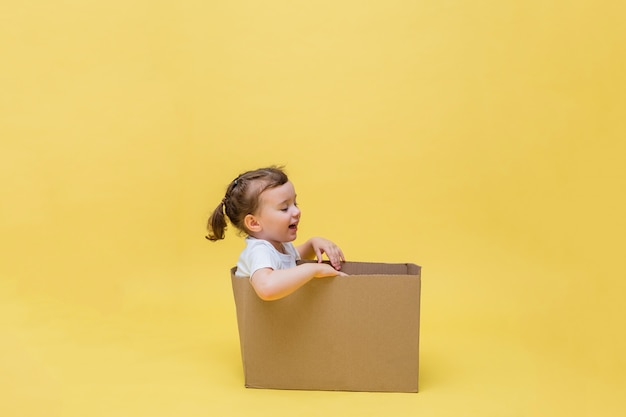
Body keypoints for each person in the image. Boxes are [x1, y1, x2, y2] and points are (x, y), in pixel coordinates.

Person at [206, 166, 347, 301]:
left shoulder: (279, 246)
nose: (297, 211)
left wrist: (311, 244)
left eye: (295, 203)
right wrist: (314, 269)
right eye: (284, 208)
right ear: (254, 223)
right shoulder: (259, 251)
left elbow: (288, 261)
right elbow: (266, 288)